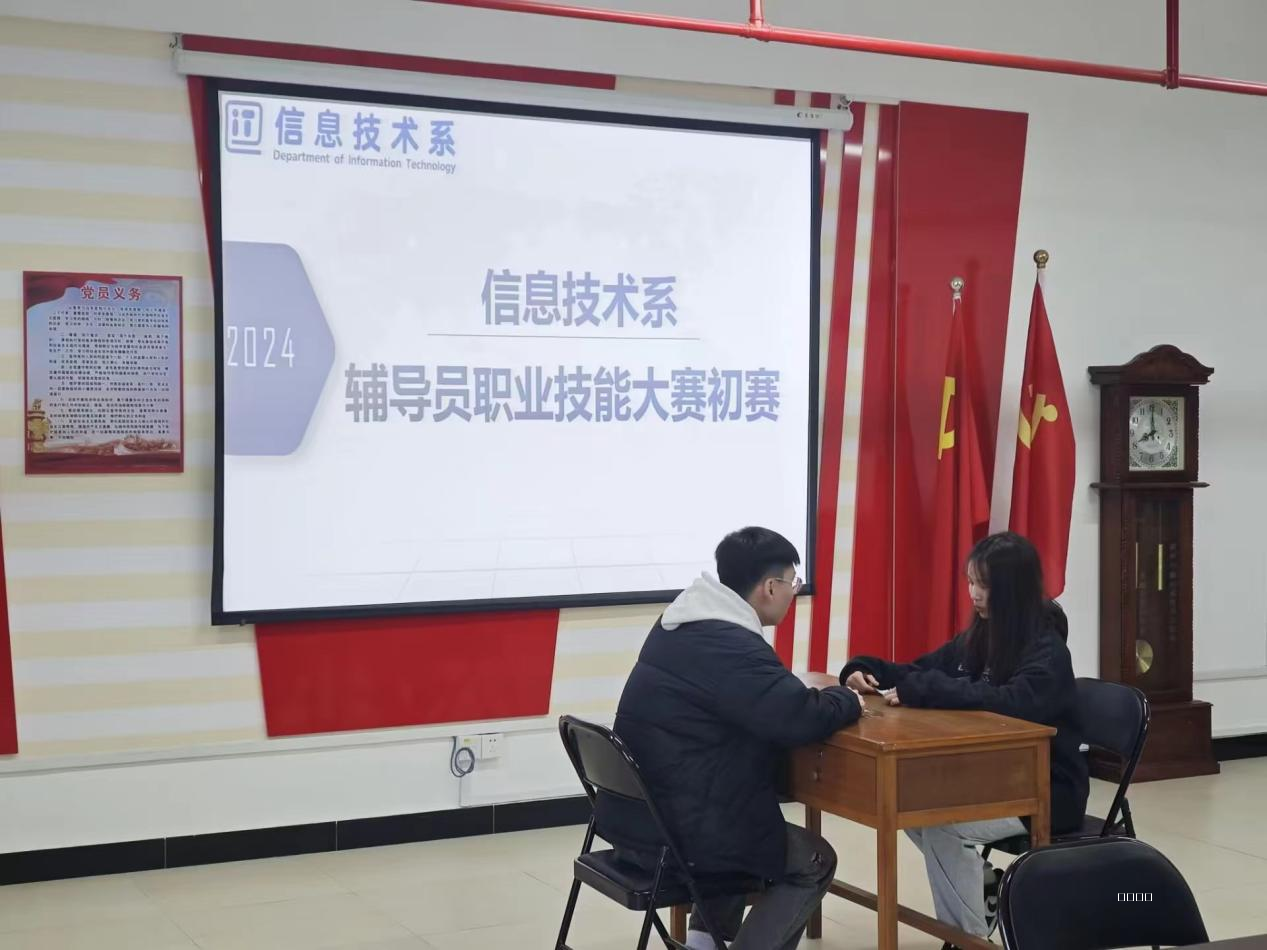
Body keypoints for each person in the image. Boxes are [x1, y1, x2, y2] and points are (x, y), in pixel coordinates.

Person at [595, 527, 863, 950]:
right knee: (813, 861)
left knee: (742, 825)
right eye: (793, 583)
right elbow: (799, 717)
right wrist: (847, 698)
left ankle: (704, 945)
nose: (794, 593)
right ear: (770, 587)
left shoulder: (681, 622)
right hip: (676, 836)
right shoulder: (732, 645)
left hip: (634, 820)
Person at [840, 531, 1087, 947]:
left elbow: (1010, 704)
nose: (973, 594)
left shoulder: (1047, 652)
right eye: (970, 581)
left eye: (984, 585)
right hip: (988, 778)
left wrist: (928, 690)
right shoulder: (980, 637)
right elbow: (919, 671)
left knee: (940, 825)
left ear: (1011, 589)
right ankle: (983, 893)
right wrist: (863, 669)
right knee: (909, 804)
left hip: (1044, 789)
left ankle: (969, 939)